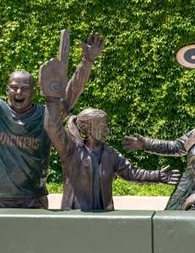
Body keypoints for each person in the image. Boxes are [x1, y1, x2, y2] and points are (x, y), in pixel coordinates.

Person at [0, 7, 104, 208]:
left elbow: (70, 93)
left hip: (34, 200)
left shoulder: (45, 116)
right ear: (7, 91)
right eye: (14, 88)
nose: (19, 93)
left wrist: (87, 61)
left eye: (24, 89)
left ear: (33, 92)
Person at [40, 59, 180, 211]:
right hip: (75, 216)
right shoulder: (71, 150)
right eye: (102, 127)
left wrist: (158, 176)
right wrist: (52, 98)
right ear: (87, 128)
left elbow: (131, 173)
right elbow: (53, 127)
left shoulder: (109, 154)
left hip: (103, 217)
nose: (107, 130)